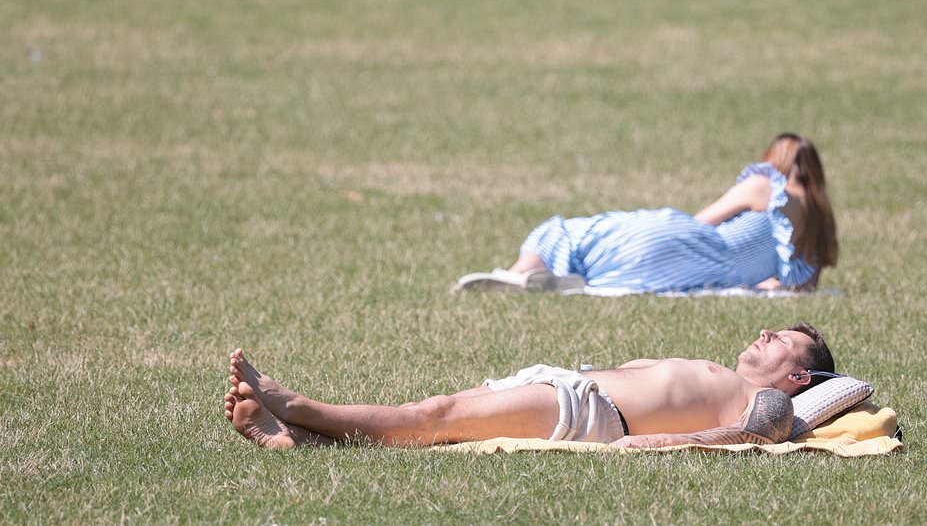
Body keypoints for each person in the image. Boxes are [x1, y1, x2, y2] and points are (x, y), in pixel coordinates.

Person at [223, 322, 837, 450]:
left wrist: (652, 447)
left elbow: (741, 436)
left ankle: (297, 405)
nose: (765, 333)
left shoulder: (772, 403)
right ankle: (298, 442)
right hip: (565, 386)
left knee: (435, 414)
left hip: (591, 414)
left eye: (782, 339)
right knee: (441, 424)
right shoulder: (723, 372)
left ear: (798, 374)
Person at [452, 133, 838, 294]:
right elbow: (794, 289)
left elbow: (701, 222)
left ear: (778, 161)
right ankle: (557, 278)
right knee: (607, 266)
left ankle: (519, 274)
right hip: (704, 275)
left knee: (576, 233)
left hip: (691, 244)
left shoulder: (767, 186)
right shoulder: (816, 230)